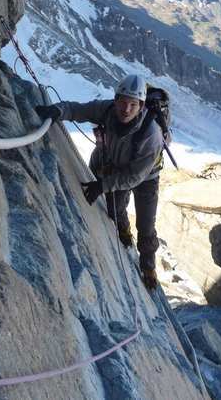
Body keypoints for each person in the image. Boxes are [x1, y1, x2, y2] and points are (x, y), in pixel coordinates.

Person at [35, 74, 164, 289]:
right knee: (115, 208)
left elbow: (135, 177)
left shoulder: (151, 135)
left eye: (133, 104)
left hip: (146, 177)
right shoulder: (107, 111)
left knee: (146, 224)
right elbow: (78, 110)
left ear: (141, 107)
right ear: (115, 100)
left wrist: (103, 185)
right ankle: (123, 230)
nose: (126, 109)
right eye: (123, 102)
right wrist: (58, 111)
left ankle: (148, 268)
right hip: (115, 164)